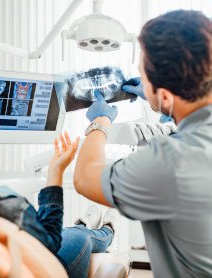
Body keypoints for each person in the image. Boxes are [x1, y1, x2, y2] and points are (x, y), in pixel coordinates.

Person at [74, 10, 212, 278]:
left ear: (165, 95)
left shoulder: (169, 162)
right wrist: (161, 103)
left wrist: (100, 123)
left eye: (143, 75)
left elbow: (84, 178)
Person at [0, 82, 118, 278]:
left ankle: (88, 224)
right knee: (79, 236)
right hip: (52, 261)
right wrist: (56, 170)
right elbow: (51, 240)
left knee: (71, 231)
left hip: (26, 249)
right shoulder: (4, 209)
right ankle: (107, 231)